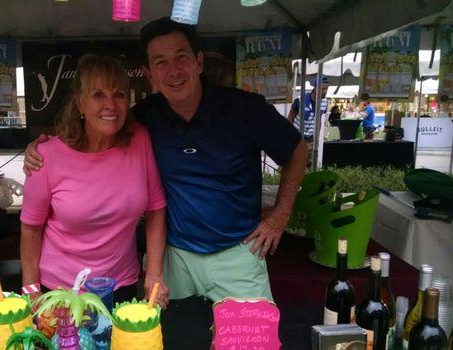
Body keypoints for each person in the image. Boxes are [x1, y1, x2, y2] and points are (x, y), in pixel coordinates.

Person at [24, 18, 307, 346]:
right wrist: (41, 147)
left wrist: (280, 216)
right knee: (174, 341)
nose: (173, 71)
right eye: (160, 62)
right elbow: (93, 130)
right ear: (149, 75)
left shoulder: (244, 109)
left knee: (250, 344)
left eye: (181, 57)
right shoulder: (145, 119)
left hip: (238, 253)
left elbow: (297, 150)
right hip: (176, 258)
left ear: (198, 61)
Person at [20, 54, 168, 307]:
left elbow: (156, 209)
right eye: (98, 95)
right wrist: (31, 291)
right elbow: (31, 229)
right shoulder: (46, 156)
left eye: (119, 94)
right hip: (60, 293)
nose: (110, 104)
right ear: (79, 103)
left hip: (122, 286)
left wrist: (154, 273)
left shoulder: (139, 140)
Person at [287, 76, 329, 141]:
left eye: (327, 88)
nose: (326, 91)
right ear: (316, 88)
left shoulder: (325, 102)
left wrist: (316, 138)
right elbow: (290, 118)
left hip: (311, 138)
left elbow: (318, 120)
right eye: (323, 89)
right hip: (296, 135)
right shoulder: (300, 100)